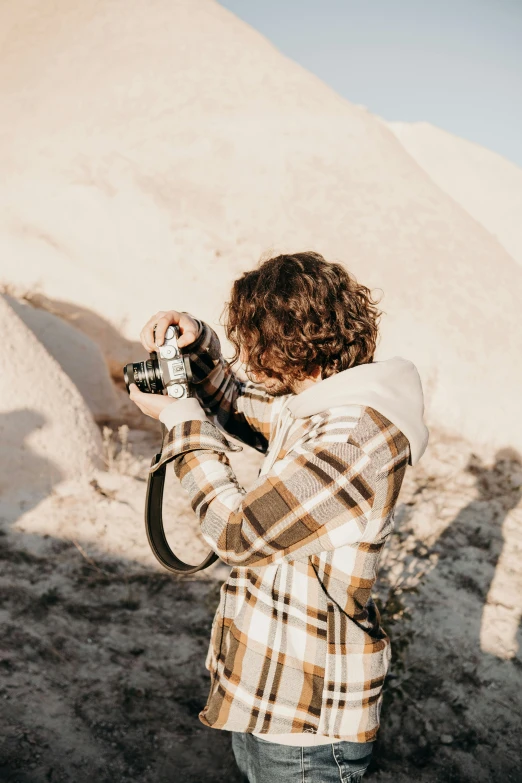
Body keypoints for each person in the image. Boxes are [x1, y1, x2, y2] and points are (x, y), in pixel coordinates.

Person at [128, 251, 429, 783]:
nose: (245, 357)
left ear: (281, 346)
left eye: (250, 343)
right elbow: (246, 409)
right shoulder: (329, 400)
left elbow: (238, 534)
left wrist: (180, 421)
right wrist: (195, 347)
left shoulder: (355, 439)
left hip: (307, 723)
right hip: (270, 686)